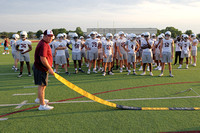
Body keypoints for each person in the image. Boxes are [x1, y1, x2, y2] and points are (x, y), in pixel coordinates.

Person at [33, 29, 54, 111]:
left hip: (40, 67)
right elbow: (43, 58)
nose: (50, 38)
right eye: (49, 36)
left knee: (43, 85)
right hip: (41, 68)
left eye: (51, 36)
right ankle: (42, 105)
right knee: (41, 86)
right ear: (44, 36)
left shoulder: (44, 43)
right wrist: (49, 68)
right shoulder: (44, 44)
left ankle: (39, 99)